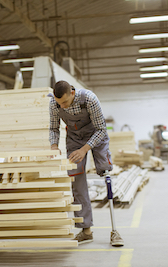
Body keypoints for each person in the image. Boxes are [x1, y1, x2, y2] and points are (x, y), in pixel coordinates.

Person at [49, 80, 124, 246]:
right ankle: (86, 231)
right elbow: (54, 128)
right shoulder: (55, 103)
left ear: (73, 93)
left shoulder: (89, 99)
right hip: (74, 139)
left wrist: (84, 150)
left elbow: (101, 129)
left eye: (65, 102)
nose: (63, 107)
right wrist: (54, 146)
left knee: (106, 174)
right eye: (59, 103)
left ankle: (115, 231)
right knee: (76, 181)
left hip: (96, 136)